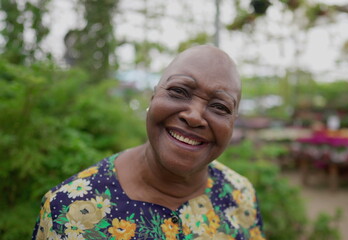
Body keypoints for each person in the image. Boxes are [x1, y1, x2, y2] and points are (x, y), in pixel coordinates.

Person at [32, 45, 265, 240]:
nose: (194, 116)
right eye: (179, 91)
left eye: (220, 107)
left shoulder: (240, 195)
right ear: (153, 98)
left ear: (232, 124)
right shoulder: (69, 210)